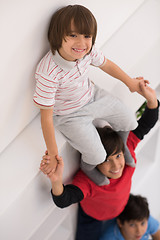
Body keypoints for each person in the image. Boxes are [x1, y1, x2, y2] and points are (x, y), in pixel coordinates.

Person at [33, 4, 149, 185]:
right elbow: (46, 118)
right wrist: (54, 154)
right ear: (57, 36)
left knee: (130, 120)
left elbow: (107, 65)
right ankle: (88, 168)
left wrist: (131, 83)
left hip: (93, 96)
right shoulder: (48, 72)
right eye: (73, 35)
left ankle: (122, 146)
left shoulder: (88, 52)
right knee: (97, 155)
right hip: (69, 115)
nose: (81, 43)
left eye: (87, 36)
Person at [40, 82, 159, 240]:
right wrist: (56, 181)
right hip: (93, 215)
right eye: (106, 161)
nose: (116, 165)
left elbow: (146, 123)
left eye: (118, 156)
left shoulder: (126, 148)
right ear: (95, 162)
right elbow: (63, 200)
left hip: (121, 203)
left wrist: (152, 100)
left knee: (139, 215)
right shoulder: (87, 181)